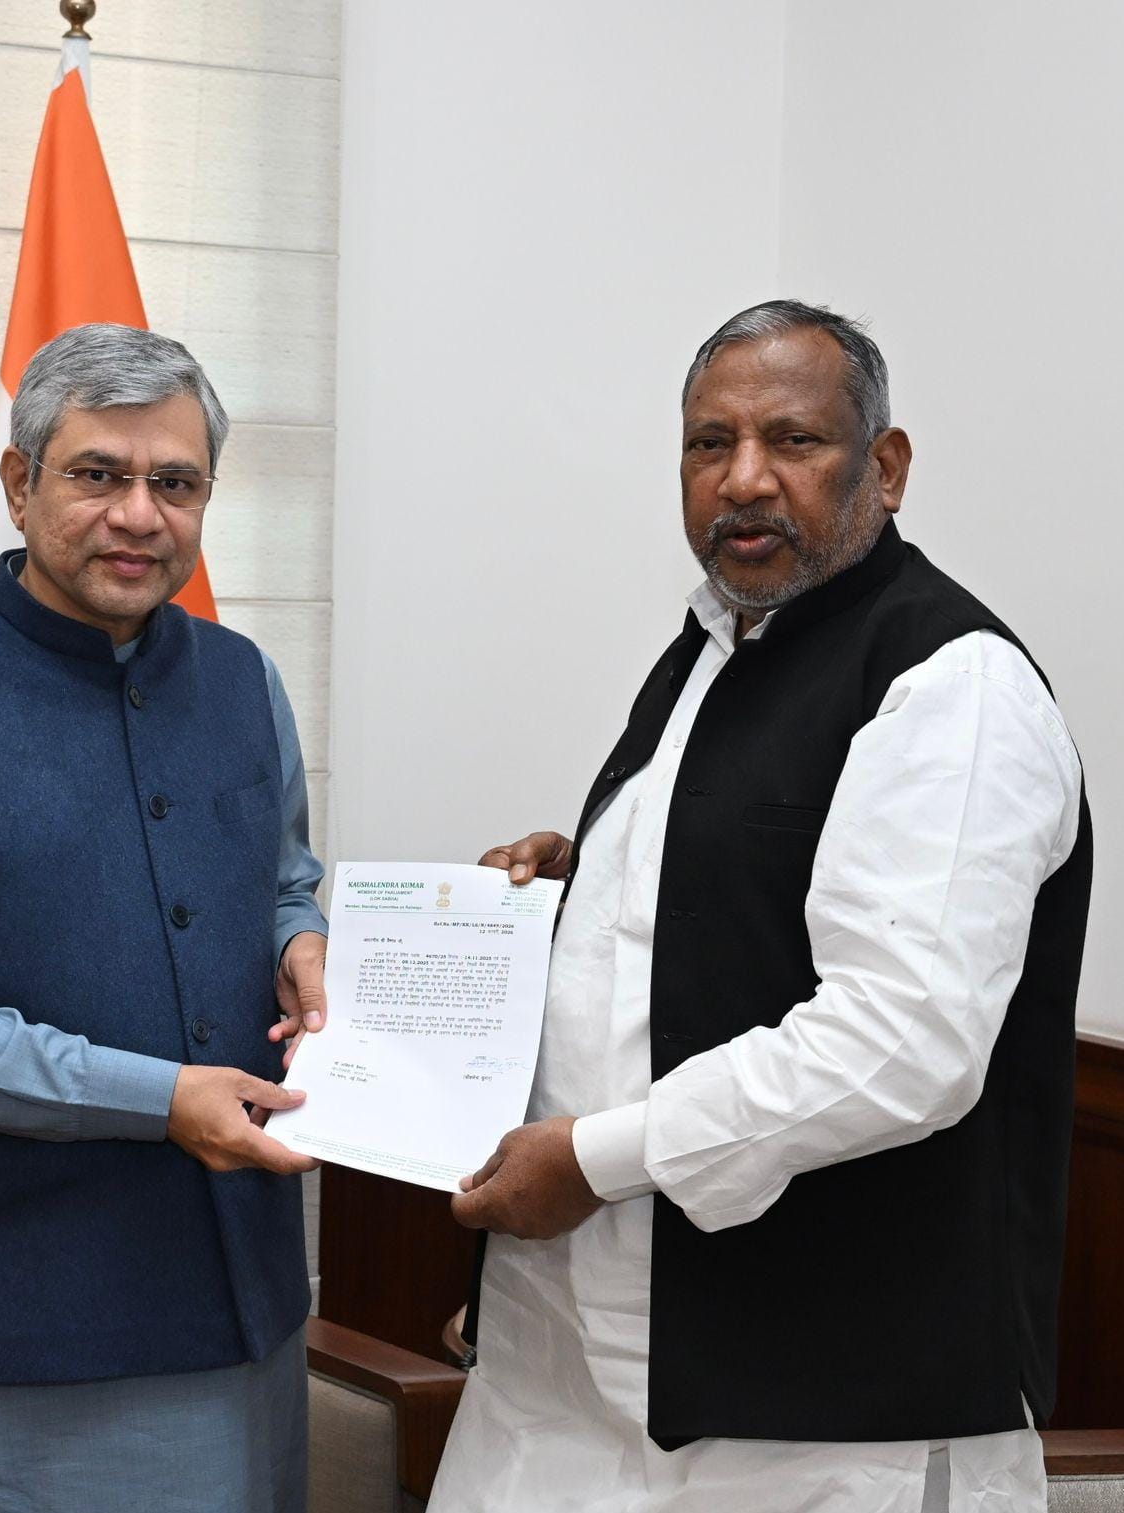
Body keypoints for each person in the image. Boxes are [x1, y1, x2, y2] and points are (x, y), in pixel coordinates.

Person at [430, 300, 1091, 1513]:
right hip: (567, 1381)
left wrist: (592, 1159)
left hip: (815, 1417)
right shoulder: (716, 643)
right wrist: (592, 885)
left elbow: (903, 1039)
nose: (743, 479)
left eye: (794, 440)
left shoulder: (952, 682)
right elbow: (753, 883)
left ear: (885, 467)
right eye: (708, 443)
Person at [0, 323, 327, 1513]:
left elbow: (284, 876)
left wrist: (301, 940)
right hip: (5, 1336)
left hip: (244, 1306)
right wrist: (156, 1098)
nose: (140, 515)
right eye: (98, 473)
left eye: (176, 483)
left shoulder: (246, 679)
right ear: (20, 481)